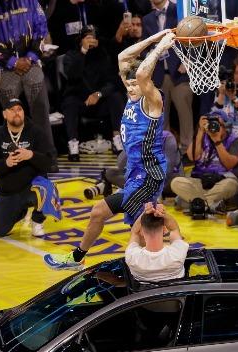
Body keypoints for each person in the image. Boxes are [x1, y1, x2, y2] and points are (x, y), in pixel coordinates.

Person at [43, 30, 175, 271]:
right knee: (106, 216)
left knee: (138, 229)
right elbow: (123, 57)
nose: (131, 88)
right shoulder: (133, 94)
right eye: (129, 83)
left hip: (148, 175)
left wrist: (160, 48)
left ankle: (157, 270)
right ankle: (80, 258)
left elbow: (143, 74)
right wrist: (153, 39)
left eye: (136, 84)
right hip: (135, 174)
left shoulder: (153, 101)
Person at [0, 0, 58, 172]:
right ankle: (10, 158)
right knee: (11, 115)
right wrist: (13, 61)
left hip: (31, 63)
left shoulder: (31, 1)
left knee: (41, 109)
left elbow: (41, 29)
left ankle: (47, 157)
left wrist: (29, 58)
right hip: (4, 67)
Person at [0, 99, 54, 237]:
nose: (17, 113)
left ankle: (37, 220)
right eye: (12, 110)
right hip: (8, 190)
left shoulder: (37, 132)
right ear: (4, 114)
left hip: (32, 187)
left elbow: (49, 162)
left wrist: (31, 155)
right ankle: (21, 211)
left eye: (19, 109)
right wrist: (6, 163)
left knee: (46, 187)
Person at [62, 25, 125, 161]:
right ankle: (73, 145)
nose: (90, 41)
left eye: (93, 38)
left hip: (100, 102)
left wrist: (98, 94)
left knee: (116, 96)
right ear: (81, 40)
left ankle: (117, 139)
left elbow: (112, 81)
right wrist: (83, 52)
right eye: (87, 38)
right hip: (81, 102)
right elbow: (72, 75)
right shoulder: (71, 55)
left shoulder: (103, 55)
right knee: (69, 101)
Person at [141, 0, 193, 155]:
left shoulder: (180, 12)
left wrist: (188, 60)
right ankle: (165, 152)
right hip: (157, 76)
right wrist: (149, 54)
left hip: (180, 74)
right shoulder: (147, 19)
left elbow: (193, 38)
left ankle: (187, 150)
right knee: (160, 117)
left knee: (184, 113)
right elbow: (144, 47)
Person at [170, 111, 238, 215]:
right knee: (176, 182)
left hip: (222, 182)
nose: (213, 127)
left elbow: (229, 164)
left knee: (231, 185)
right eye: (210, 124)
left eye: (218, 124)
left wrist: (217, 142)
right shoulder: (202, 137)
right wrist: (200, 131)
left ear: (226, 126)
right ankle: (212, 204)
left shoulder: (235, 141)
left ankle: (196, 203)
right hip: (200, 182)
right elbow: (192, 157)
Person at [126, 202, 188, 282]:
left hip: (145, 290)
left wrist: (144, 212)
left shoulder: (132, 257)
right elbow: (174, 228)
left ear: (141, 231)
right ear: (165, 230)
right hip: (175, 290)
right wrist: (163, 214)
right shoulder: (178, 253)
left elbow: (134, 232)